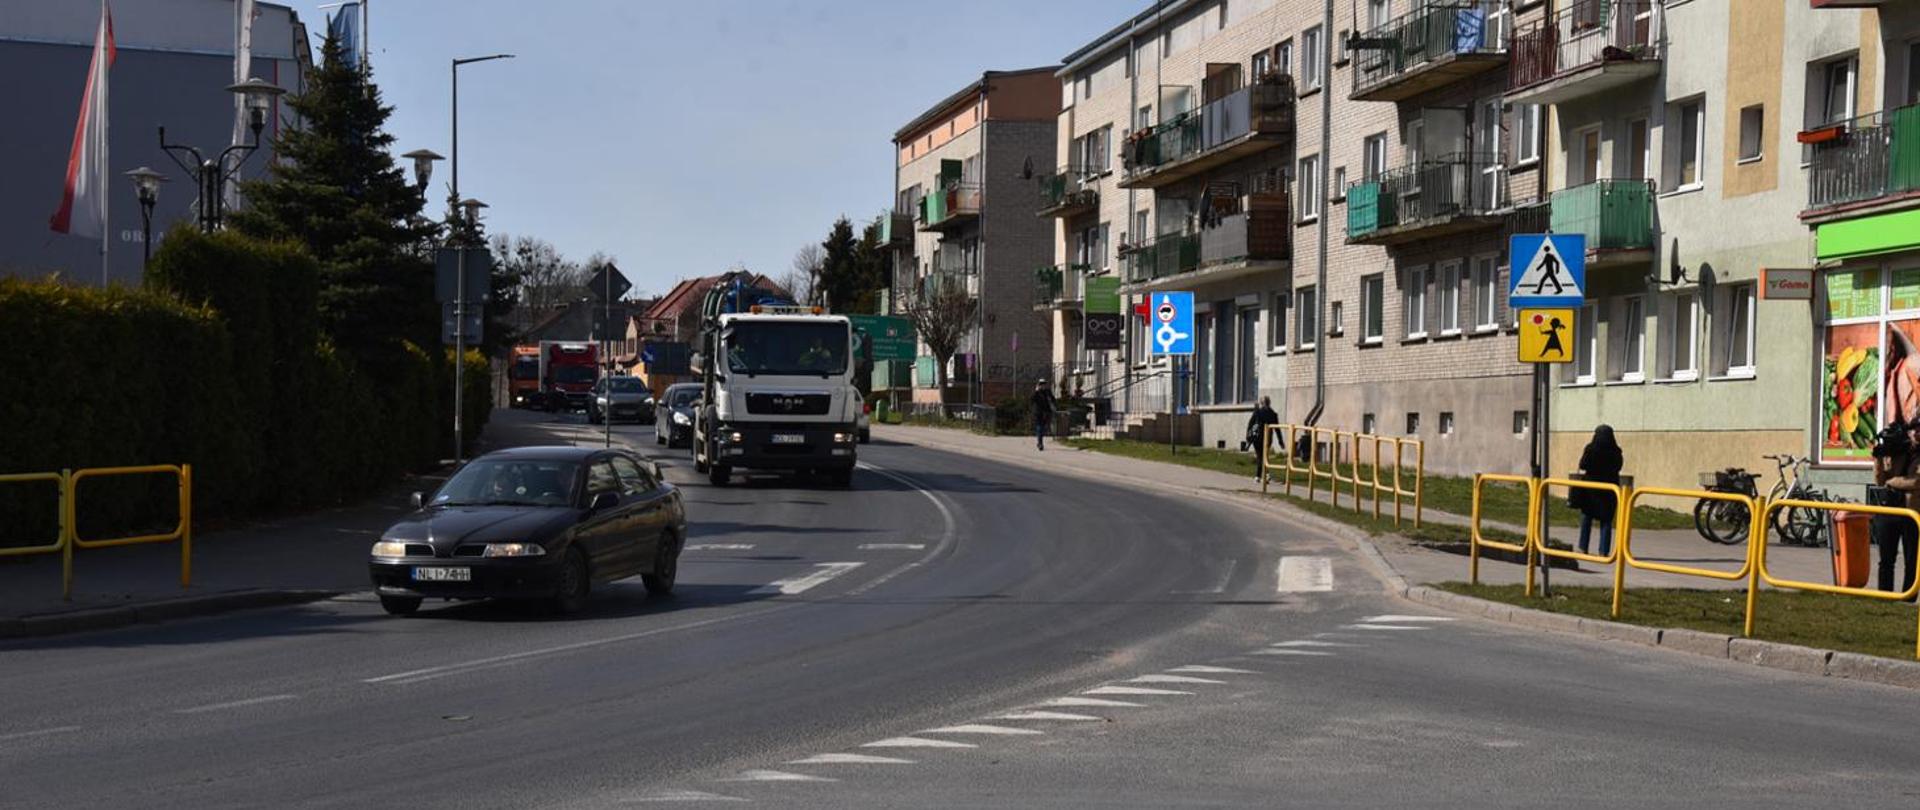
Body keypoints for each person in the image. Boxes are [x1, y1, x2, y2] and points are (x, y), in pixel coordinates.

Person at [1872, 421, 1920, 597]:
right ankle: (1885, 596)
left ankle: (1908, 597)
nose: (1916, 433)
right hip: (1890, 510)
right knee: (1886, 560)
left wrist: (1892, 482)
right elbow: (1879, 481)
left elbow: (1916, 482)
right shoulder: (1897, 451)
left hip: (1912, 513)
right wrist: (1878, 459)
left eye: (1919, 430)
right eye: (1913, 430)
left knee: (1912, 559)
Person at [1569, 424, 1622, 556]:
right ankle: (1603, 551)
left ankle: (1583, 547)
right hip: (1609, 490)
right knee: (1606, 521)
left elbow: (1583, 464)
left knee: (1587, 517)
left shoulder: (1591, 449)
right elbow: (1618, 467)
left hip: (1591, 489)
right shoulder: (1616, 451)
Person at [1246, 396, 1280, 483]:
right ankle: (1266, 475)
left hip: (1257, 437)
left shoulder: (1258, 412)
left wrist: (1248, 436)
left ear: (1261, 403)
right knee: (1264, 456)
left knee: (1260, 456)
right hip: (1267, 438)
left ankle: (1258, 476)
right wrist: (1280, 441)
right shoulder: (1272, 413)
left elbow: (1250, 424)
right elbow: (1277, 429)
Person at [1030, 379, 1057, 451]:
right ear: (1038, 385)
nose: (1043, 386)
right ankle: (1040, 443)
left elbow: (1053, 399)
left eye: (1044, 384)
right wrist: (1036, 391)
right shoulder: (1036, 393)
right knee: (1039, 427)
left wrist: (1053, 406)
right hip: (1038, 412)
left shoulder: (1047, 392)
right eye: (1041, 384)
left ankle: (1040, 441)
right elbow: (1032, 400)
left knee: (1043, 428)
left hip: (1046, 412)